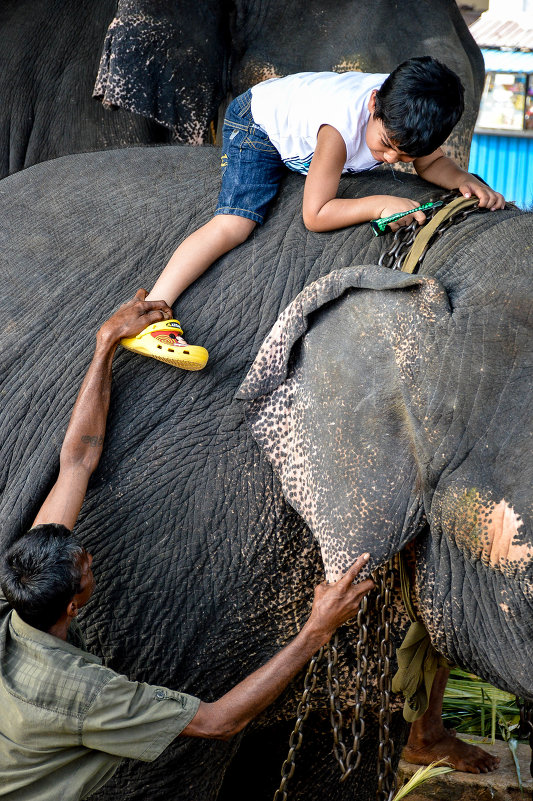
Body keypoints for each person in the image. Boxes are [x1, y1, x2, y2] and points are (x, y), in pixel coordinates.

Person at [0, 291, 375, 801]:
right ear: (73, 602)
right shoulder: (87, 694)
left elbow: (77, 460)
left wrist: (107, 342)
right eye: (86, 564)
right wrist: (318, 628)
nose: (87, 554)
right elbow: (219, 721)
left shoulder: (22, 591)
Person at [120, 56, 505, 371]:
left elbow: (430, 163)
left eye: (402, 156)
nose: (389, 159)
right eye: (386, 145)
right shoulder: (339, 127)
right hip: (258, 125)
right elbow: (315, 214)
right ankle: (149, 315)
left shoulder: (410, 113)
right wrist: (379, 204)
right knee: (235, 224)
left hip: (305, 133)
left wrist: (462, 180)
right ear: (373, 103)